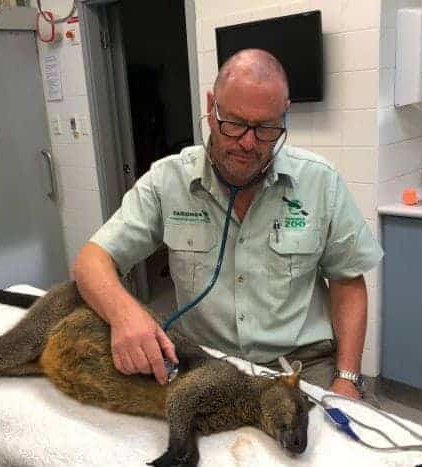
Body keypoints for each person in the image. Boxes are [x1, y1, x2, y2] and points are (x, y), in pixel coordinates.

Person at [73, 48, 383, 399]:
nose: (248, 143)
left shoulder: (320, 182)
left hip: (303, 364)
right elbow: (91, 260)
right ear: (210, 107)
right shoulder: (166, 180)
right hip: (207, 361)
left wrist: (347, 377)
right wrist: (125, 314)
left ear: (284, 116)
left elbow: (348, 281)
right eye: (233, 123)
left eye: (266, 128)